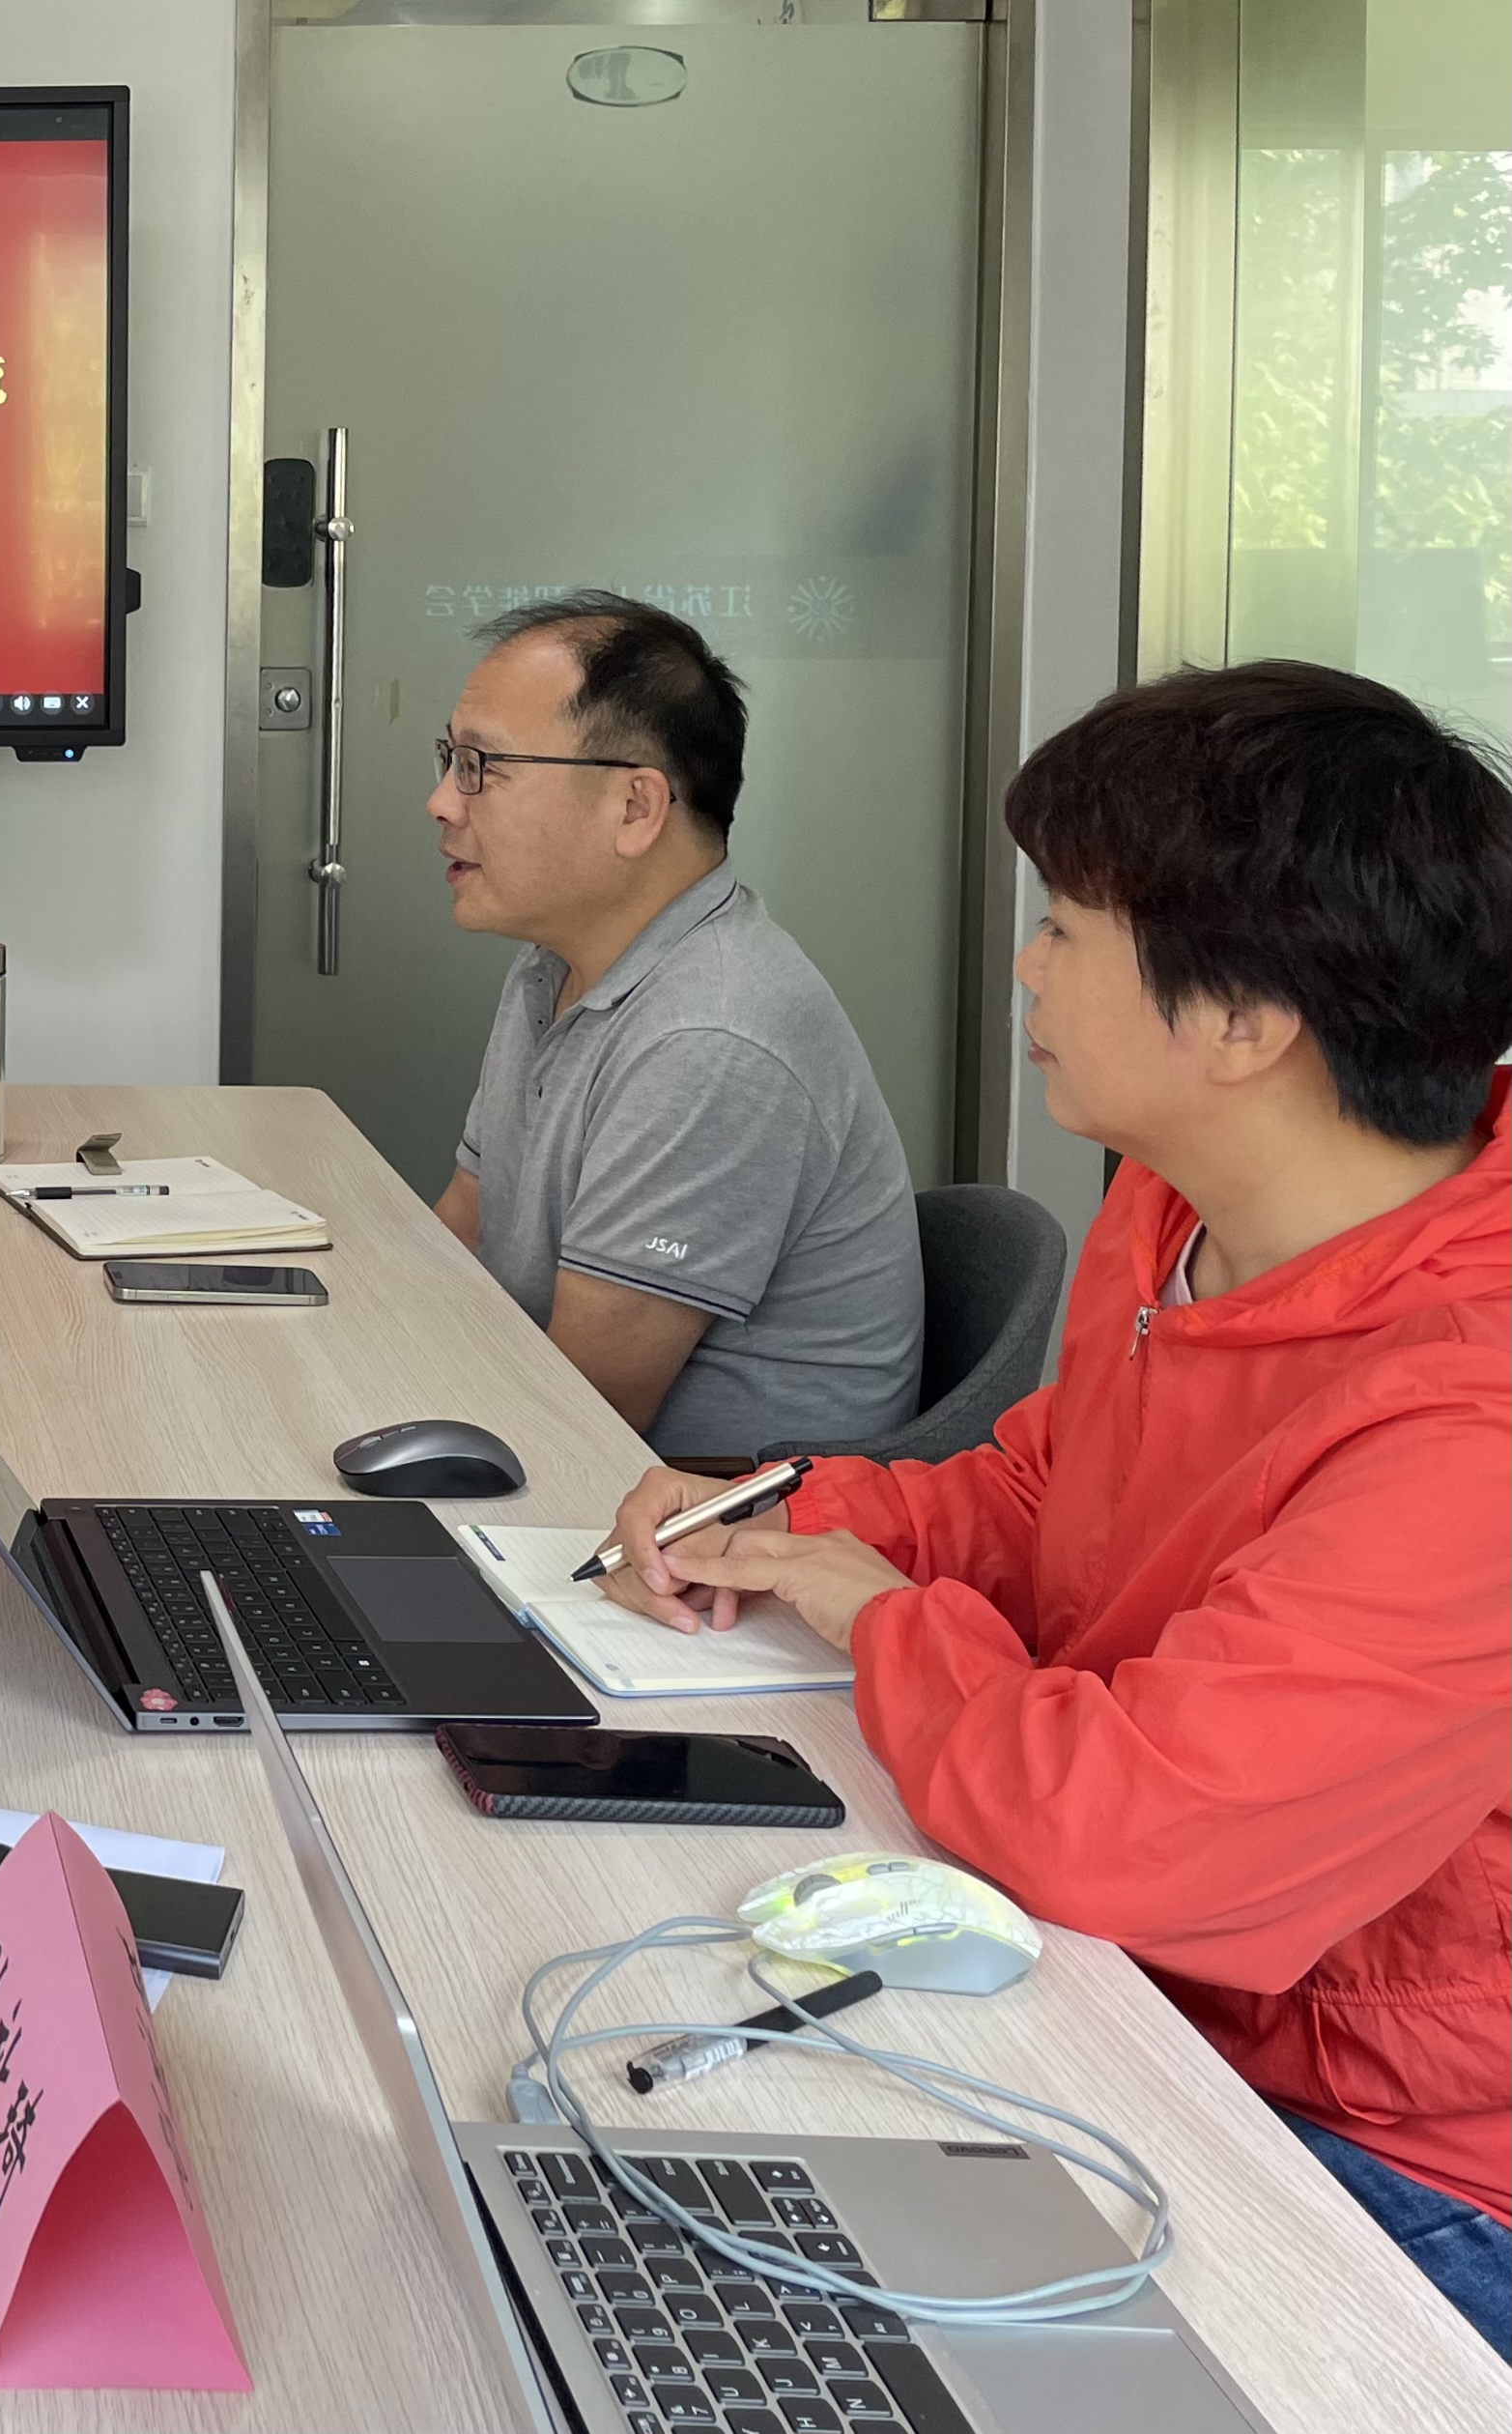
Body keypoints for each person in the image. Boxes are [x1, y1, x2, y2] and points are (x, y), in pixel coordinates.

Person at [603, 662, 1511, 2356]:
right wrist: (790, 1516)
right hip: (1138, 1989)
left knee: (732, 2287)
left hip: (1393, 2156)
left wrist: (879, 1611)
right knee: (618, 2119)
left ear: (1241, 1021)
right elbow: (1049, 1490)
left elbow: (1136, 1838)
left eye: (1065, 928)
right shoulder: (1177, 1200)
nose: (1025, 966)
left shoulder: (1473, 1404)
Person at [427, 592, 922, 1460]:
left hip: (695, 1510)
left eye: (481, 766)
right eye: (448, 759)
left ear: (635, 807)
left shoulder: (712, 1037)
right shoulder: (556, 963)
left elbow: (589, 1410)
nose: (440, 802)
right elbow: (465, 1225)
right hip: (566, 1453)